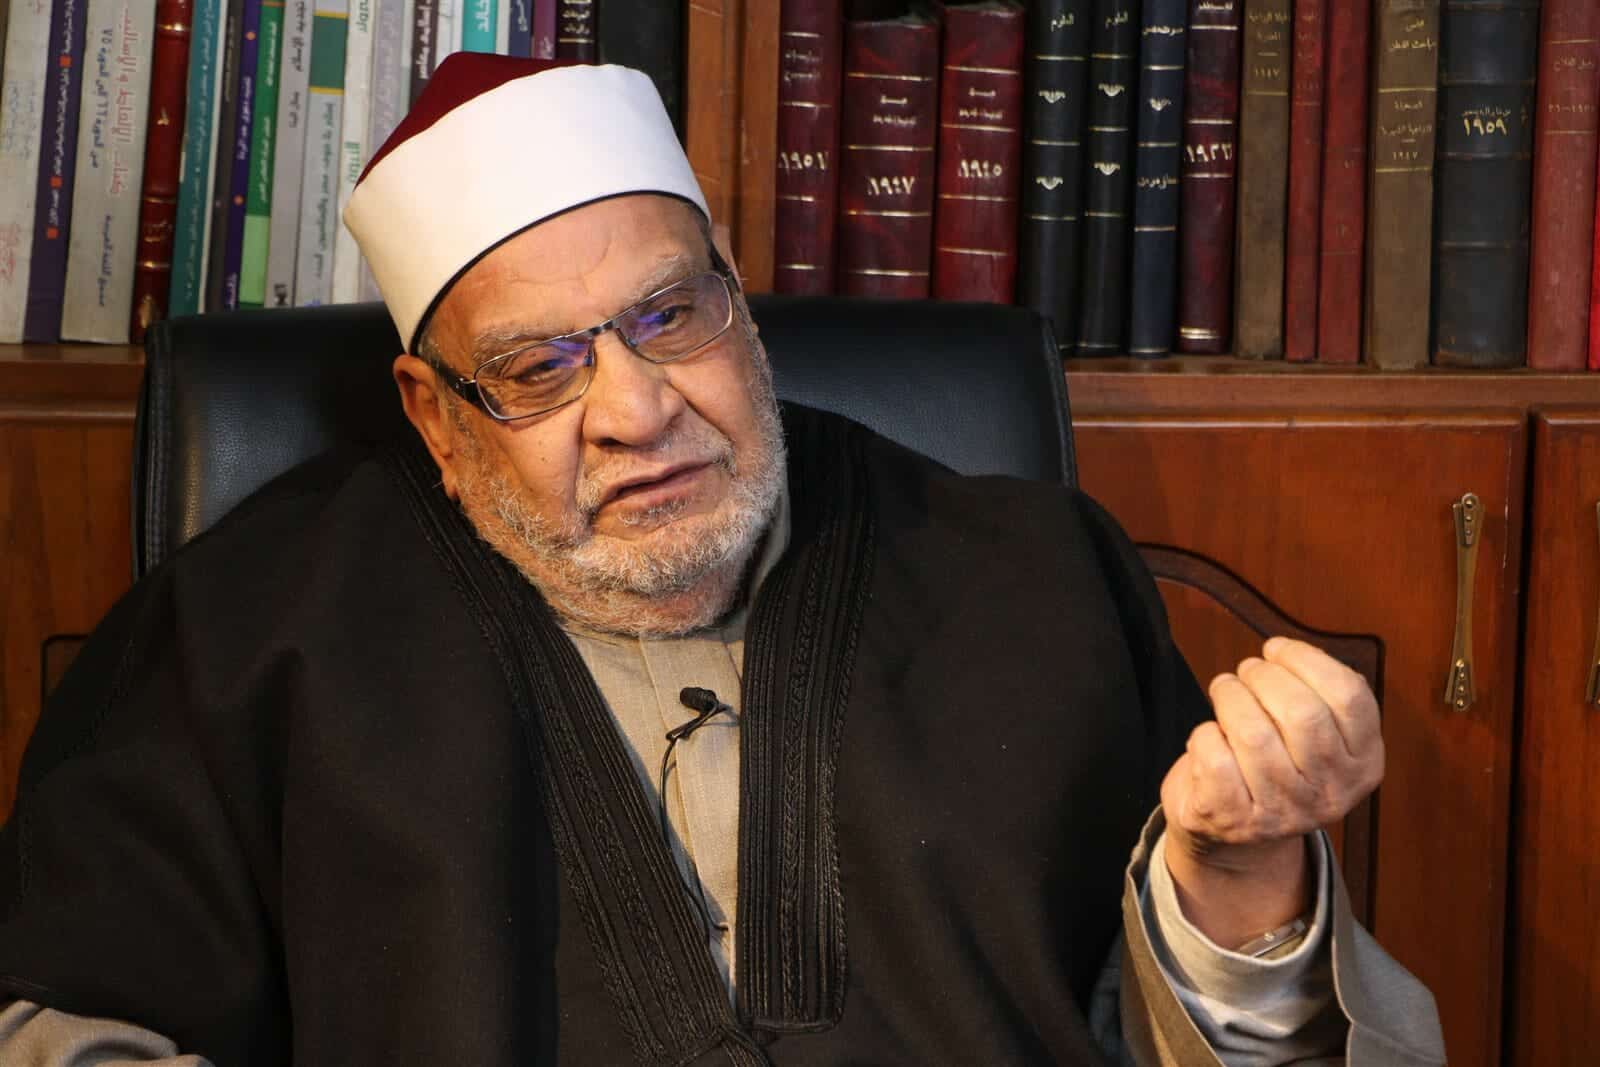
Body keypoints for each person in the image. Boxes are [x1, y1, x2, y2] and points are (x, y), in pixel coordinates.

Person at [0, 56, 1444, 1066]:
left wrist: (1241, 885)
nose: (638, 413)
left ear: (739, 302)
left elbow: (1226, 1046)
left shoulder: (1038, 579)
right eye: (540, 368)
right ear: (434, 414)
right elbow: (56, 1021)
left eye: (668, 319)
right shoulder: (245, 634)